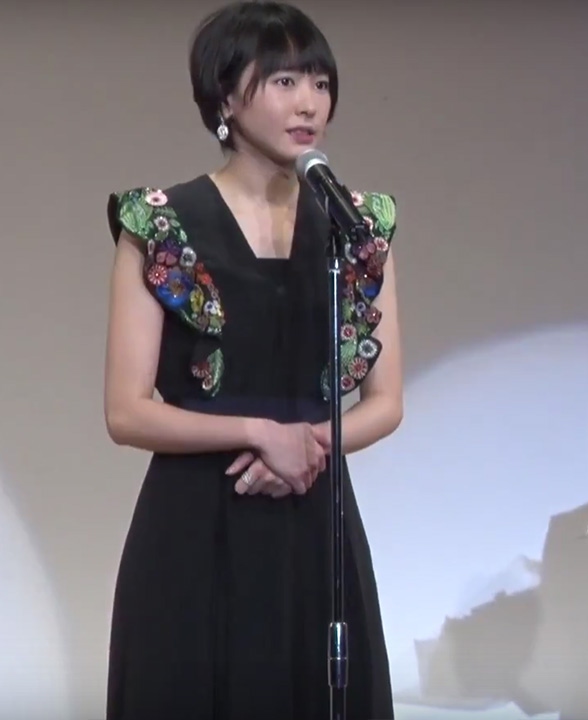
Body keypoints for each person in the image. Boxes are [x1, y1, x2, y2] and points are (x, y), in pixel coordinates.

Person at [102, 3, 400, 718]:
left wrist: (306, 445)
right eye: (285, 81)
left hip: (315, 520)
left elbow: (386, 402)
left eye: (320, 83)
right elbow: (127, 412)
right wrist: (259, 434)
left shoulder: (359, 225)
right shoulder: (161, 223)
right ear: (226, 97)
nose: (309, 103)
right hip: (195, 520)